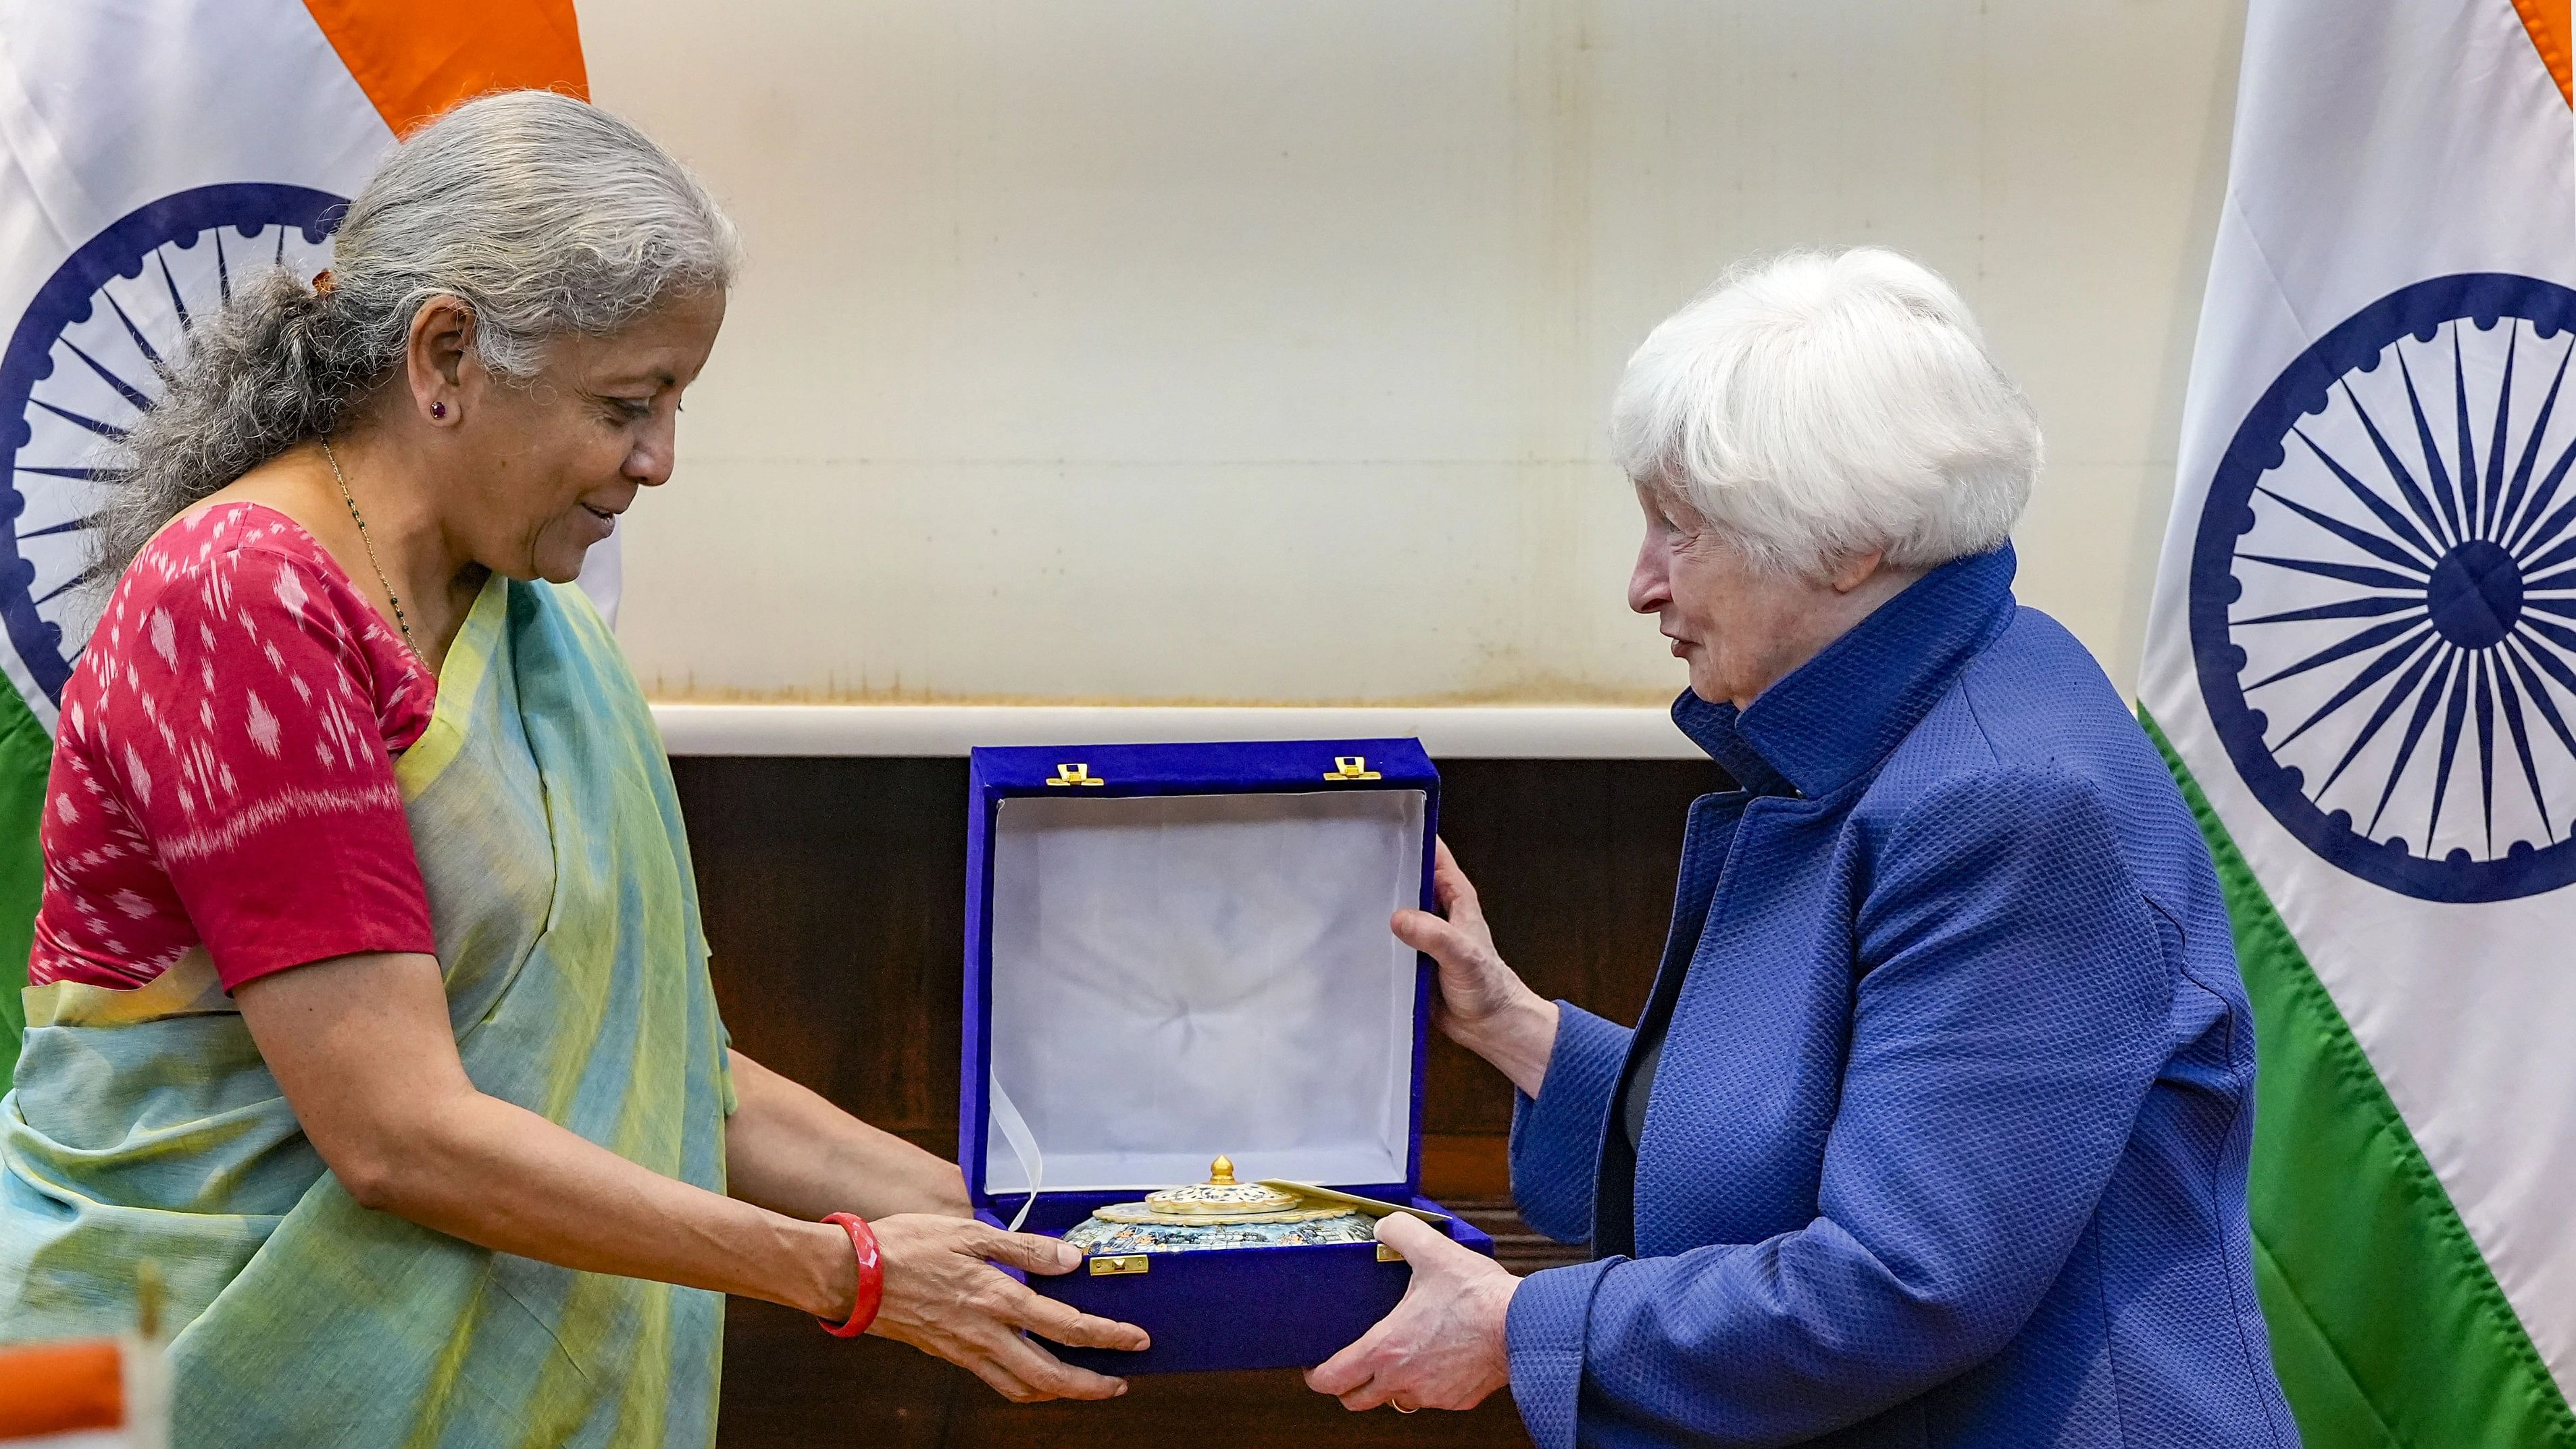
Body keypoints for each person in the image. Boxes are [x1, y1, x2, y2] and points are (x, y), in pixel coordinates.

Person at [0, 92, 1142, 1446]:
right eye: (626, 402)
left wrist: (1017, 1231)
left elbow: (677, 1080)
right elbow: (398, 1134)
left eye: (673, 403)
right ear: (444, 354)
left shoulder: (539, 636)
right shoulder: (239, 598)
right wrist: (852, 1274)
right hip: (144, 1380)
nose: (656, 461)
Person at [1307, 249, 2300, 1446]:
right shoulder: (1938, 709)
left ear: (1847, 545)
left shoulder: (2009, 800)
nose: (1639, 586)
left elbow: (1899, 1284)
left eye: (1679, 529)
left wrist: (1522, 1325)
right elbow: (1810, 1126)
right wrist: (1511, 1025)